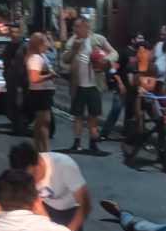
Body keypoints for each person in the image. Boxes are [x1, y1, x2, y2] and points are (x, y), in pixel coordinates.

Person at [9, 142, 91, 231]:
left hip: (70, 210)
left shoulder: (64, 166)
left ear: (38, 162)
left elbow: (85, 205)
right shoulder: (24, 174)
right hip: (45, 207)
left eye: (33, 176)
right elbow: (29, 204)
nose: (31, 182)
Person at [62, 17, 118, 152]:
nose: (75, 29)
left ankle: (93, 143)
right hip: (78, 85)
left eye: (78, 26)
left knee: (93, 115)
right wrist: (73, 49)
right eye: (74, 27)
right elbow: (65, 59)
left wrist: (106, 59)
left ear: (86, 27)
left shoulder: (98, 39)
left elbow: (114, 53)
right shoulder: (72, 41)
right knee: (78, 115)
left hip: (95, 84)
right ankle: (76, 143)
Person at [100, 32, 144, 141]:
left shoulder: (142, 53)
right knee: (116, 109)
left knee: (130, 113)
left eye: (143, 38)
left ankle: (125, 134)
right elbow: (114, 69)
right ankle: (103, 134)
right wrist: (119, 83)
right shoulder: (124, 52)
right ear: (133, 40)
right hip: (122, 87)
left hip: (134, 88)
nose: (142, 40)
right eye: (139, 38)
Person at [25, 32, 58, 152]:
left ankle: (39, 149)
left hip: (43, 92)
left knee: (41, 122)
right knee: (44, 122)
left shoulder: (41, 56)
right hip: (40, 93)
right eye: (45, 41)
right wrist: (49, 76)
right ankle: (45, 150)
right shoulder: (36, 58)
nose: (47, 44)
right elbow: (34, 78)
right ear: (39, 44)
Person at [2, 25, 28, 135]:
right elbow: (5, 61)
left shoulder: (25, 47)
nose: (14, 34)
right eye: (12, 32)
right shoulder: (8, 47)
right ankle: (17, 126)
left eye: (16, 32)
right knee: (12, 104)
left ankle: (21, 126)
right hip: (12, 79)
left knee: (21, 104)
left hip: (23, 79)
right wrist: (6, 74)